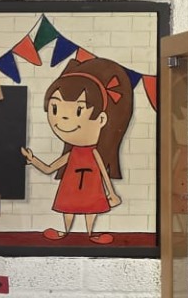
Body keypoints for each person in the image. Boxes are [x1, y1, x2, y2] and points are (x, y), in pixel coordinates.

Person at [21, 56, 133, 243]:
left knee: (91, 206)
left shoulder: (94, 153)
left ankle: (90, 233)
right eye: (55, 109)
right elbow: (49, 168)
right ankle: (66, 231)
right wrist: (33, 160)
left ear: (101, 120)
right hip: (71, 188)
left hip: (91, 188)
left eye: (79, 111)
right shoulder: (71, 154)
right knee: (68, 206)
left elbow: (103, 172)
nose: (64, 119)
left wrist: (111, 193)